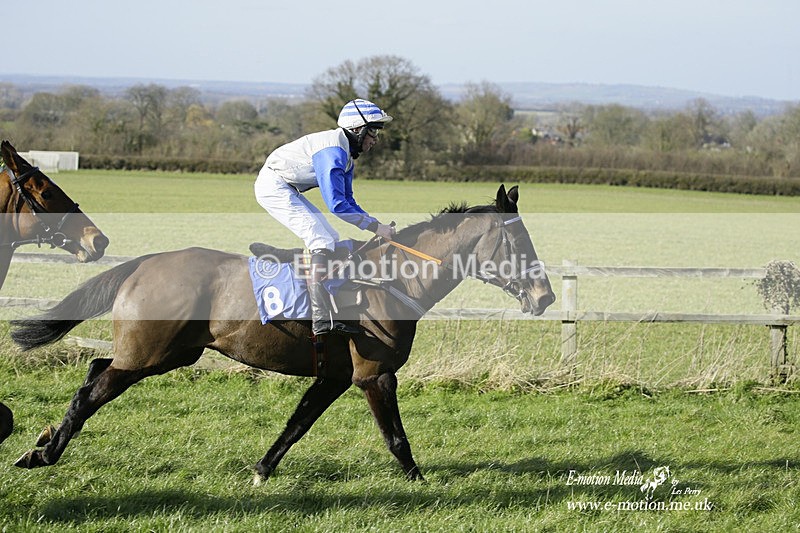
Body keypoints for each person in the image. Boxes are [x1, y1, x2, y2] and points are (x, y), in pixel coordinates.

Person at [254, 99, 396, 336]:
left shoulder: (346, 155)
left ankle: (296, 262)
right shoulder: (333, 152)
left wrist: (376, 224)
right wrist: (374, 227)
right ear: (357, 129)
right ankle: (320, 319)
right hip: (274, 186)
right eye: (373, 131)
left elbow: (348, 200)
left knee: (330, 236)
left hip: (288, 187)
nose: (375, 139)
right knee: (320, 239)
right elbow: (337, 205)